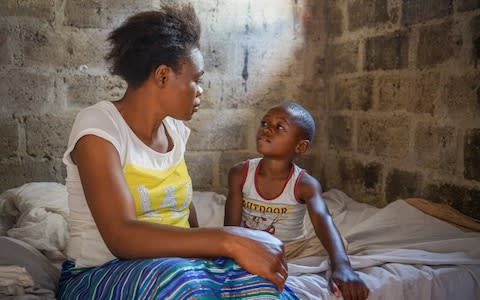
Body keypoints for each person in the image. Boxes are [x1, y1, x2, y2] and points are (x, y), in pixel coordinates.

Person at [57, 4, 298, 299]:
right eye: (195, 79)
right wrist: (228, 240)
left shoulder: (175, 131)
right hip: (101, 272)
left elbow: (183, 211)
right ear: (162, 76)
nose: (200, 91)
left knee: (264, 284)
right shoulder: (99, 126)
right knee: (181, 282)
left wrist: (218, 258)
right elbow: (122, 237)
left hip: (179, 267)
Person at [224, 101, 370, 300]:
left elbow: (322, 219)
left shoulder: (305, 184)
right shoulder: (240, 173)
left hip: (290, 248)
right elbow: (231, 228)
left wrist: (343, 267)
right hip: (251, 244)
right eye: (264, 123)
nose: (267, 130)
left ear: (300, 146)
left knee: (337, 244)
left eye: (279, 127)